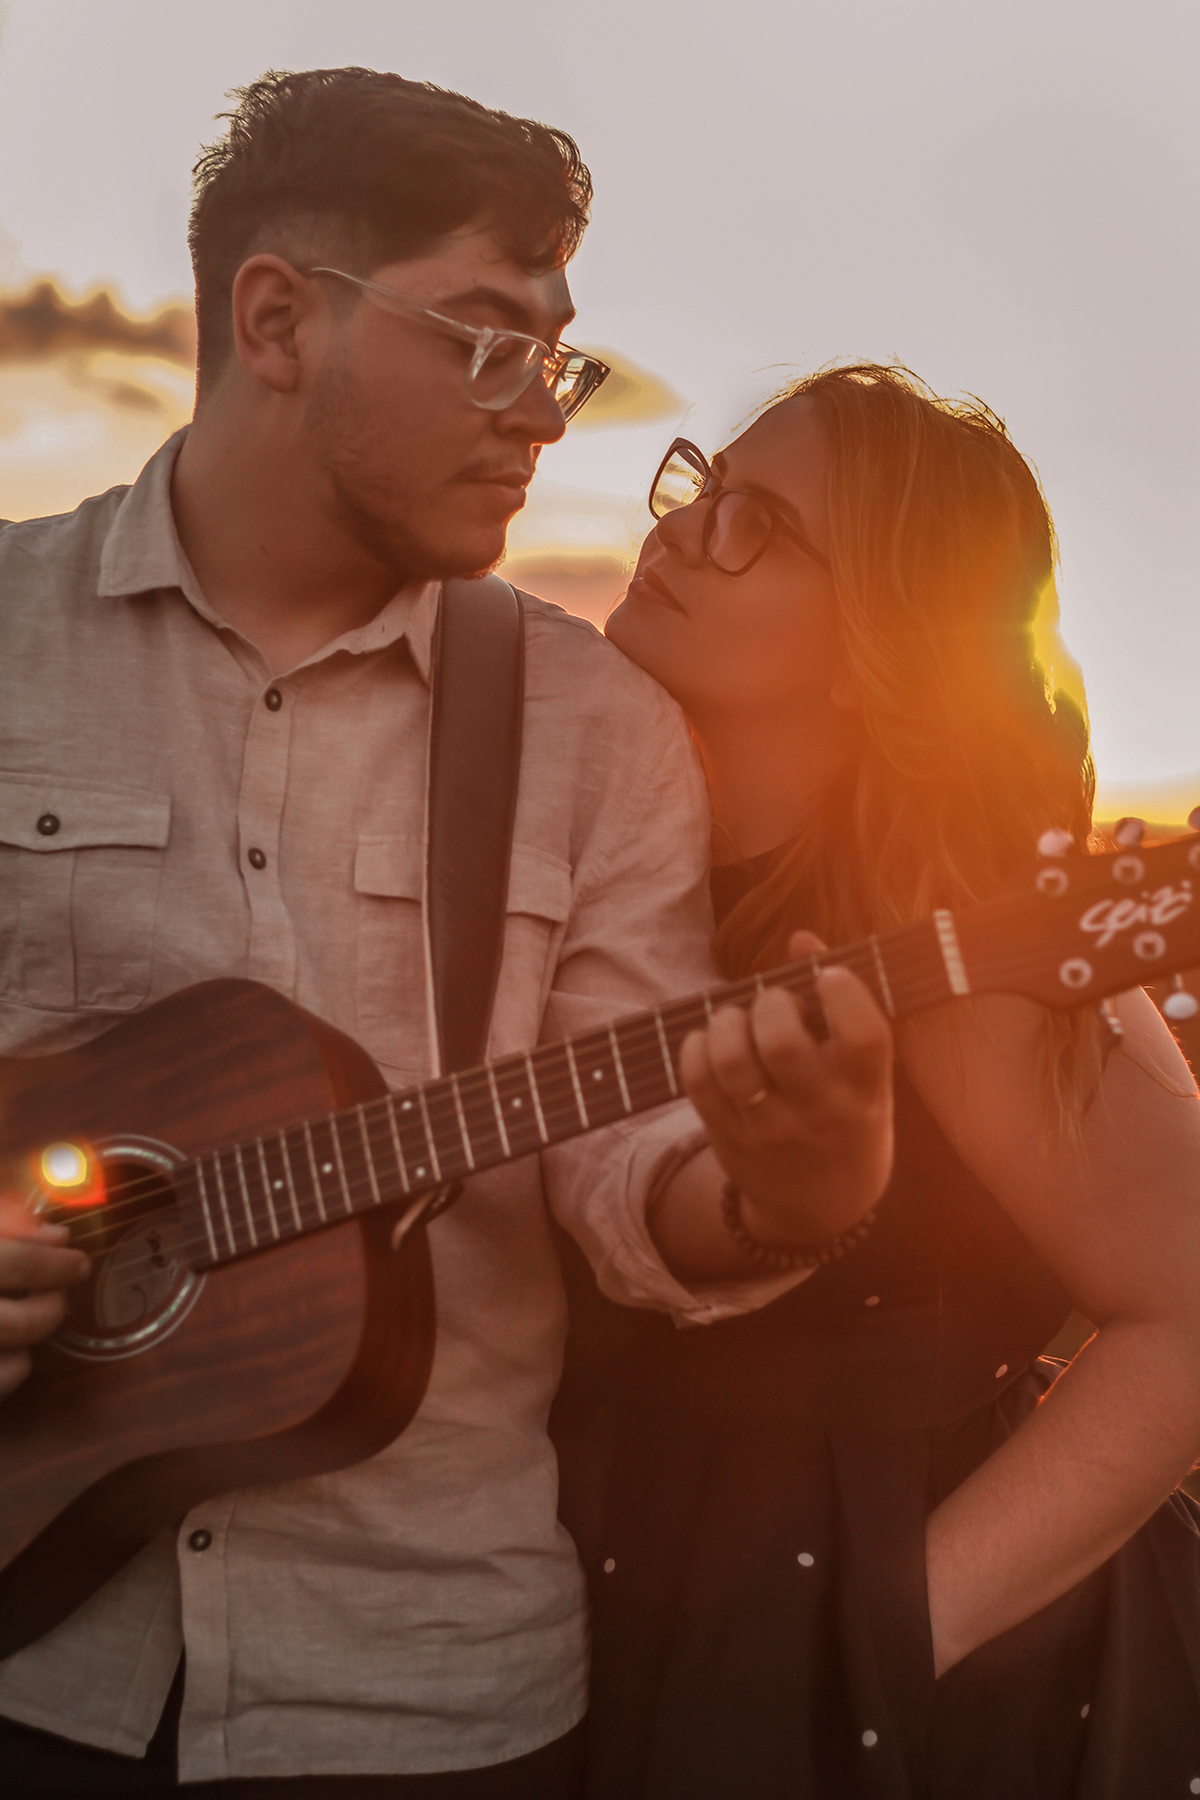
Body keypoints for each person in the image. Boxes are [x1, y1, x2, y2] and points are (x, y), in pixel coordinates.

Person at [0, 74, 894, 1798]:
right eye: (487, 339)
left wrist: (788, 1191)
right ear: (277, 320)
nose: (544, 413)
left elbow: (625, 1162)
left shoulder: (594, 727)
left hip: (424, 1698)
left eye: (555, 355)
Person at [552, 364, 1200, 1798]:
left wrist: (898, 1626)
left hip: (904, 1681)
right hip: (613, 1593)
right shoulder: (612, 872)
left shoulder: (954, 928)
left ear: (877, 641)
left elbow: (1192, 1309)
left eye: (756, 525)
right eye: (699, 487)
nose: (680, 531)